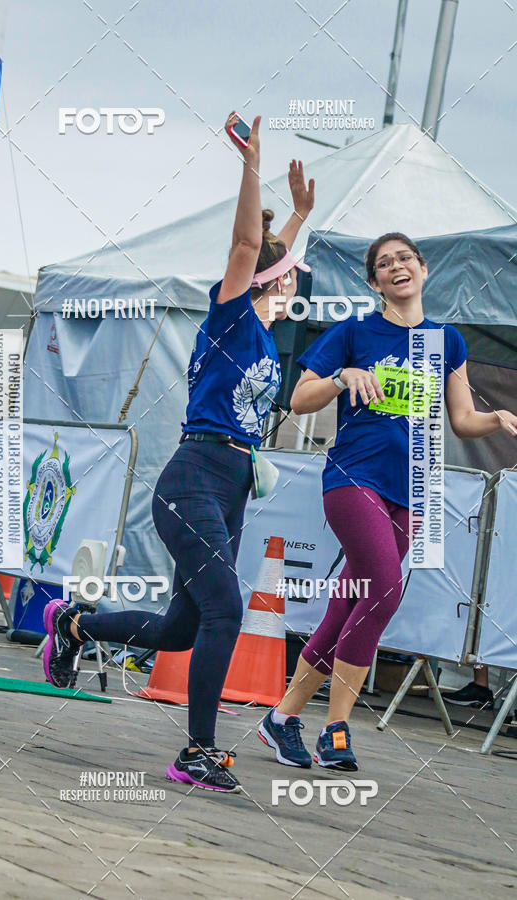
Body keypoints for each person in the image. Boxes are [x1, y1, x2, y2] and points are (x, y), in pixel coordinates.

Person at [42, 111, 314, 793]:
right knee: (226, 610)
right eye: (288, 275)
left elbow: (270, 246)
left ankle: (73, 625)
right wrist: (253, 164)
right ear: (268, 280)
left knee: (178, 632)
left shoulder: (266, 333)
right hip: (192, 479)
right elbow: (250, 243)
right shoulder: (229, 315)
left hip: (231, 491)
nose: (294, 284)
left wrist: (301, 214)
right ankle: (197, 751)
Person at [257, 232, 517, 772]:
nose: (396, 267)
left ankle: (281, 719)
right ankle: (336, 728)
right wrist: (339, 376)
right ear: (374, 282)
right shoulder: (355, 331)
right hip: (354, 478)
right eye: (384, 263)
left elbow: (462, 421)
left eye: (405, 259)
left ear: (423, 270)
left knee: (350, 600)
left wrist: (494, 419)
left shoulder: (446, 342)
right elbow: (299, 396)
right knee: (383, 589)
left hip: (413, 487)